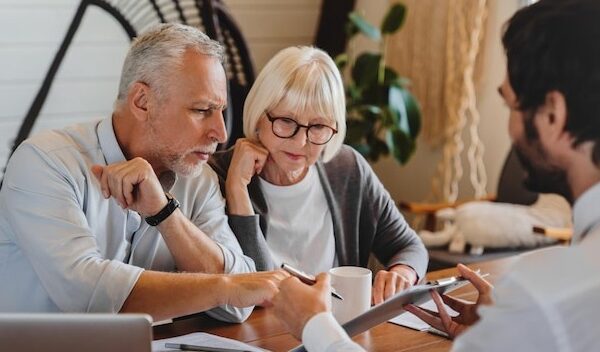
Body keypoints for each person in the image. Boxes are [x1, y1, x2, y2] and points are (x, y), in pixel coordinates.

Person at [272, 0, 600, 350]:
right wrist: (496, 333)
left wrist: (315, 326)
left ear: (552, 114)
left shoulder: (543, 296)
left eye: (510, 105)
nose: (510, 127)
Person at [0, 23, 287, 323]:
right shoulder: (44, 162)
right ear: (142, 101)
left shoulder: (199, 179)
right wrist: (225, 287)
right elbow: (89, 298)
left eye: (220, 111)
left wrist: (165, 213)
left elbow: (237, 307)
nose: (221, 132)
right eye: (202, 110)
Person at [209, 46, 428, 304]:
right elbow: (251, 289)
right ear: (259, 115)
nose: (301, 141)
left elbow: (410, 247)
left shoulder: (346, 168)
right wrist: (237, 191)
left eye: (318, 126)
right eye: (286, 121)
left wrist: (402, 273)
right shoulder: (217, 174)